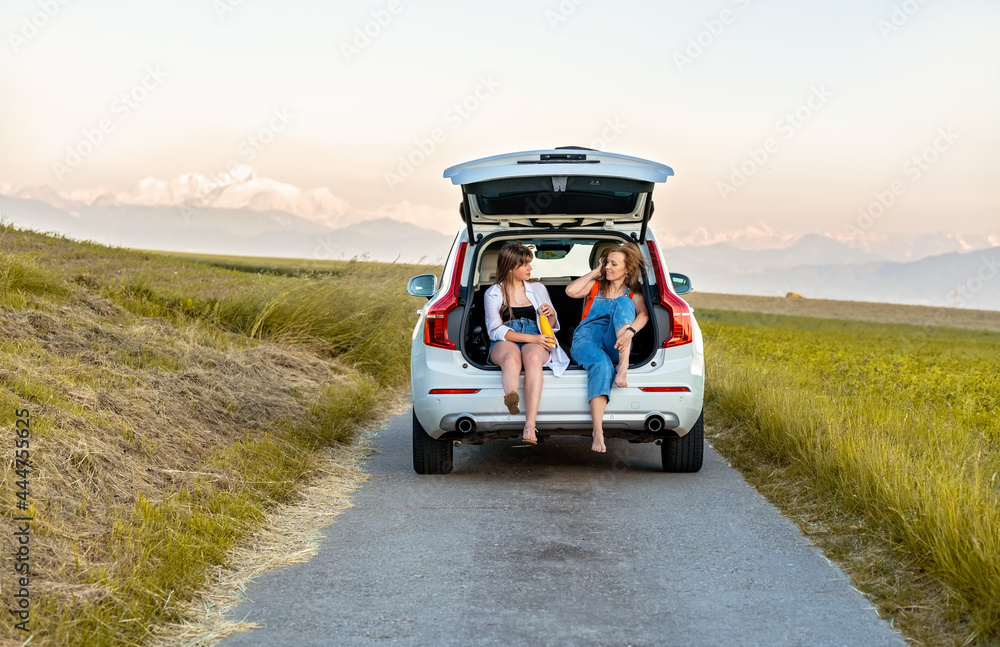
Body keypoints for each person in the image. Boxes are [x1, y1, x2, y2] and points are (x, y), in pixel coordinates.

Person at [566, 242, 649, 453]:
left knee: (624, 304)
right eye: (607, 263)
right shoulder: (595, 285)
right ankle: (598, 431)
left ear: (627, 269)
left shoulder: (633, 294)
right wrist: (596, 271)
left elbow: (644, 315)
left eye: (614, 264)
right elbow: (570, 291)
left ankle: (623, 365)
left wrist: (630, 332)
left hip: (617, 340)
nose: (608, 267)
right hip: (587, 339)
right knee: (602, 365)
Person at [484, 242, 568, 444]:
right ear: (510, 267)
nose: (530, 268)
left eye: (530, 263)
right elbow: (495, 330)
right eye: (525, 265)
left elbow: (552, 326)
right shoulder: (493, 293)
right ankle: (511, 396)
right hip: (508, 337)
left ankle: (530, 426)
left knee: (531, 358)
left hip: (536, 334)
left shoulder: (537, 288)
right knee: (511, 359)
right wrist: (532, 338)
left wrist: (551, 315)